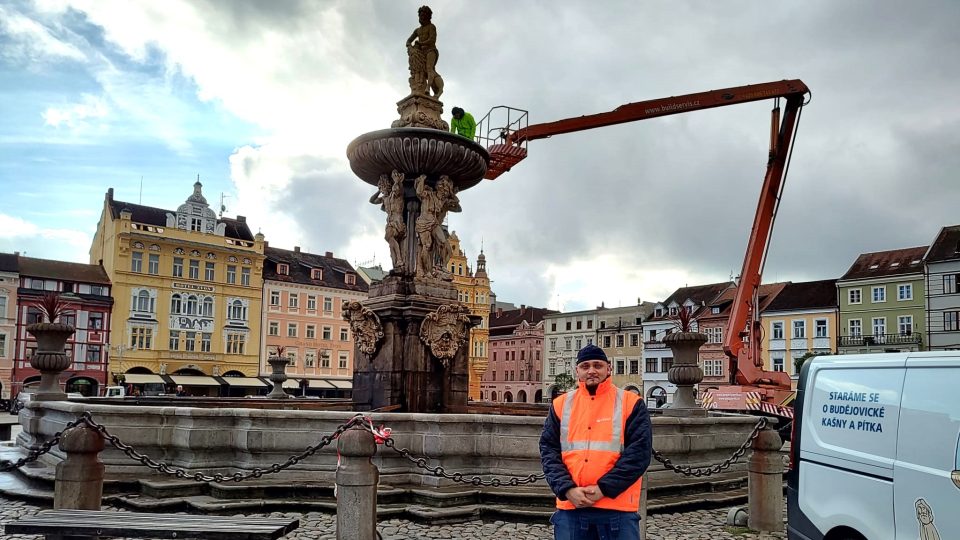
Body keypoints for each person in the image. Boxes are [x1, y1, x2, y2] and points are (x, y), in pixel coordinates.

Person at [540, 344, 652, 539]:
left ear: (608, 368)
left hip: (617, 506)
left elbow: (639, 454)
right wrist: (567, 489)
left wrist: (604, 489)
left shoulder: (631, 402)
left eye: (597, 365)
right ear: (577, 371)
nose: (591, 370)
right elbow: (548, 450)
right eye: (585, 366)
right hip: (571, 506)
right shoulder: (560, 404)